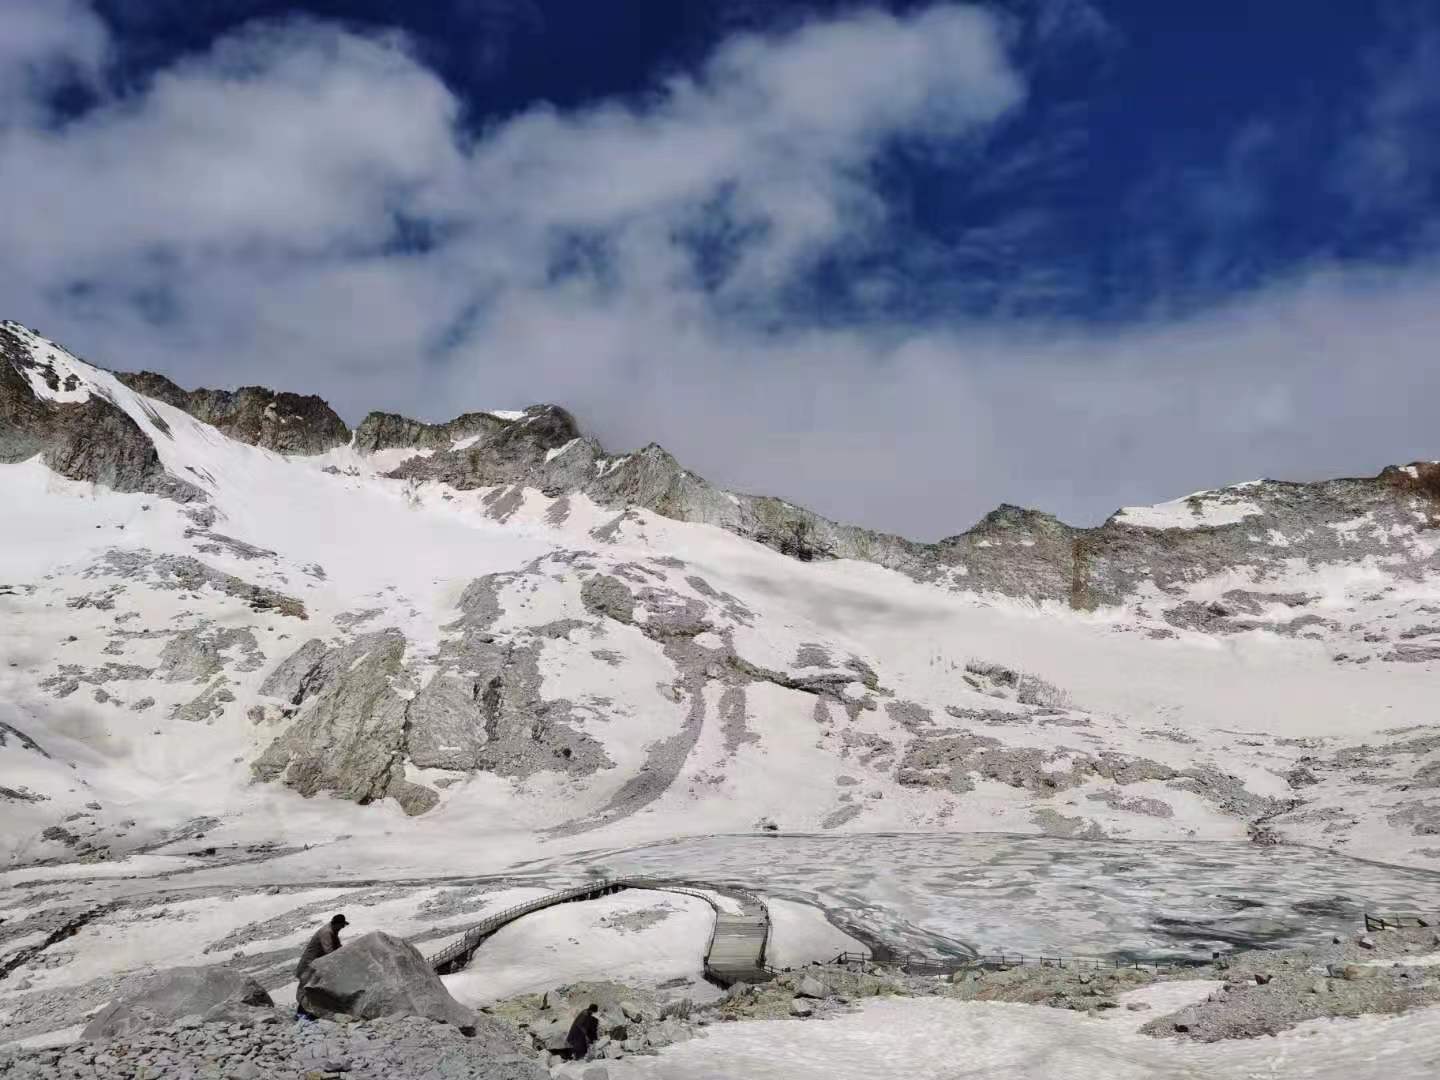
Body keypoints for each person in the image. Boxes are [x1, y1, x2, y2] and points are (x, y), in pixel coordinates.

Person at [295, 913, 348, 1017]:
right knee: (307, 989)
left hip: (317, 965)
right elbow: (329, 951)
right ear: (336, 924)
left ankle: (311, 1013)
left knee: (314, 989)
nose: (342, 928)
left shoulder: (333, 931)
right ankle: (301, 1014)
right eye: (342, 926)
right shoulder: (326, 933)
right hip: (309, 965)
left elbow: (338, 947)